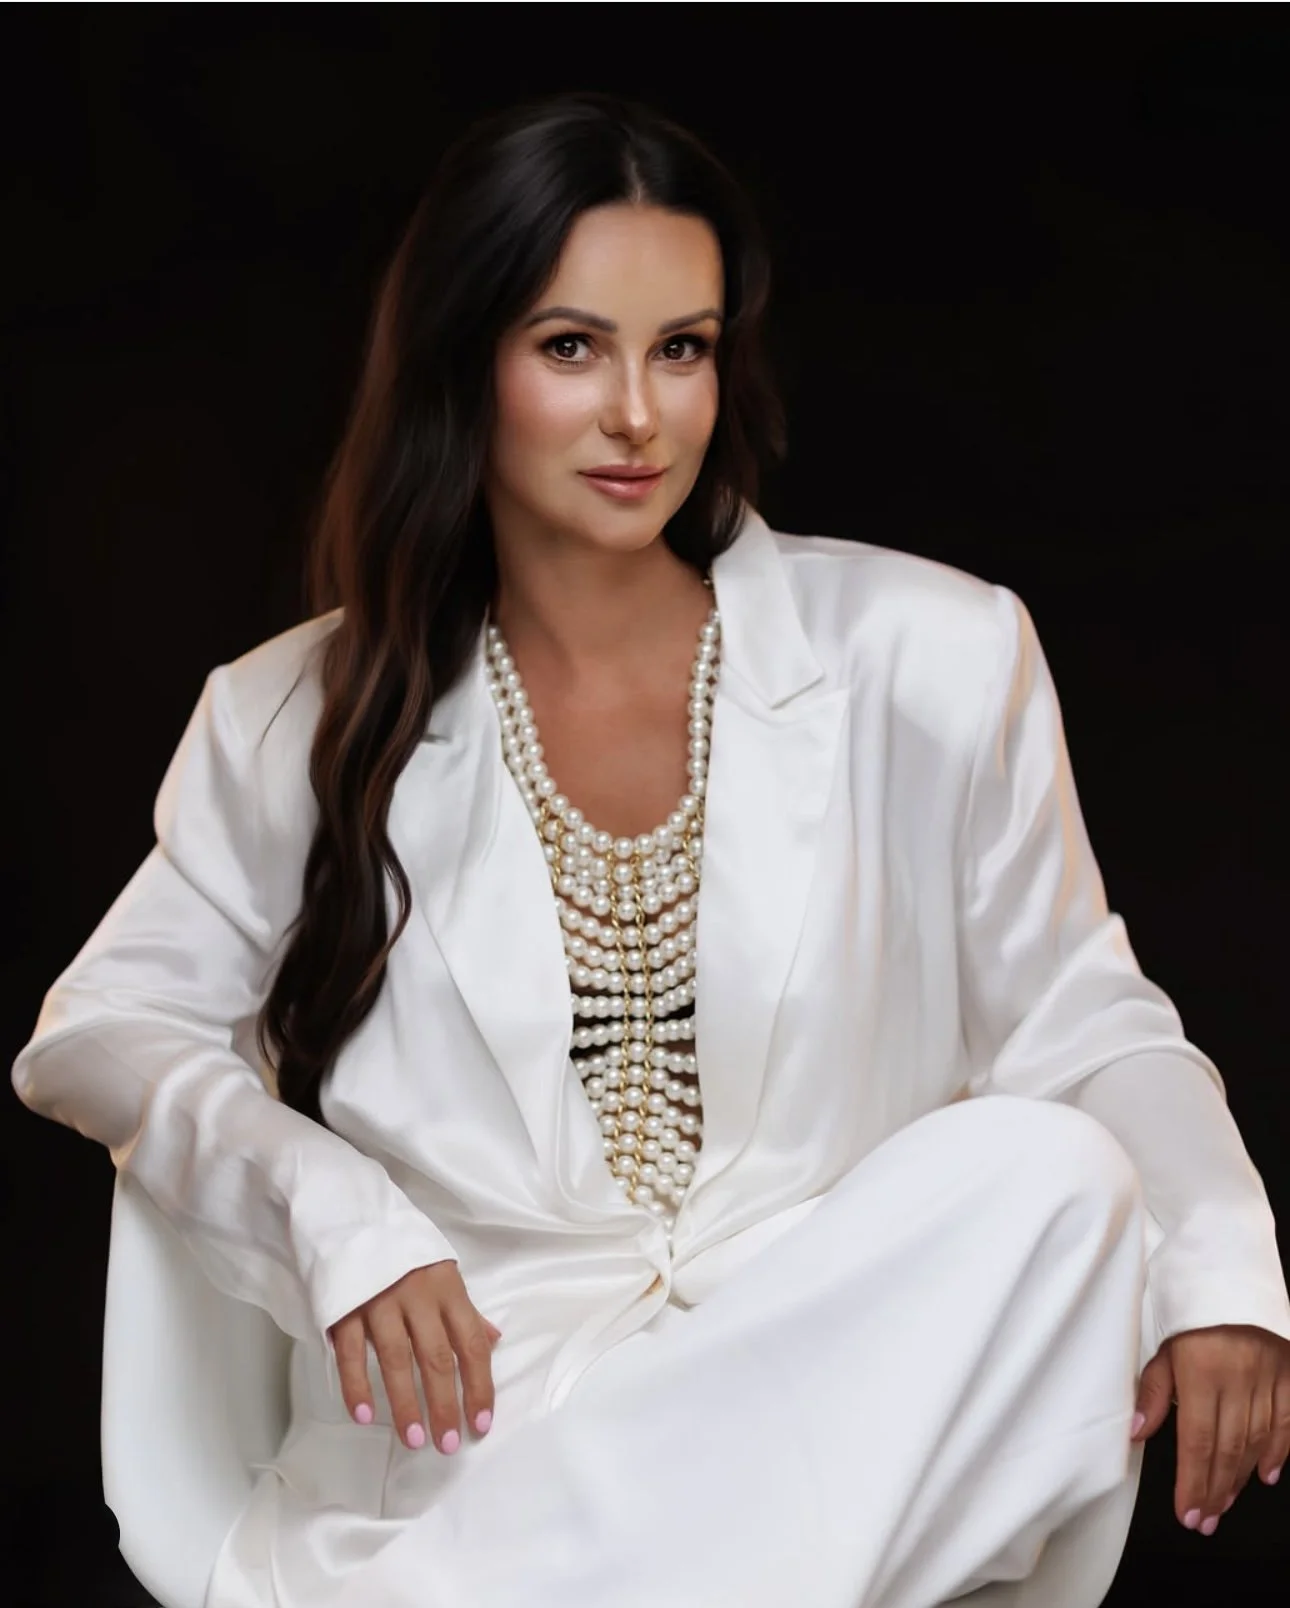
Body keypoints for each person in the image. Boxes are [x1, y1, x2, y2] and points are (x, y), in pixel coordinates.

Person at [11, 90, 1290, 1608]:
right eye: (571, 347)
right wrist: (333, 1218)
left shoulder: (932, 656)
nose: (637, 413)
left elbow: (1085, 1024)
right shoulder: (294, 710)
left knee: (1059, 1177)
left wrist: (1220, 1273)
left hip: (832, 1415)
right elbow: (97, 1033)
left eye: (679, 347)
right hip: (480, 1451)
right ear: (462, 364)